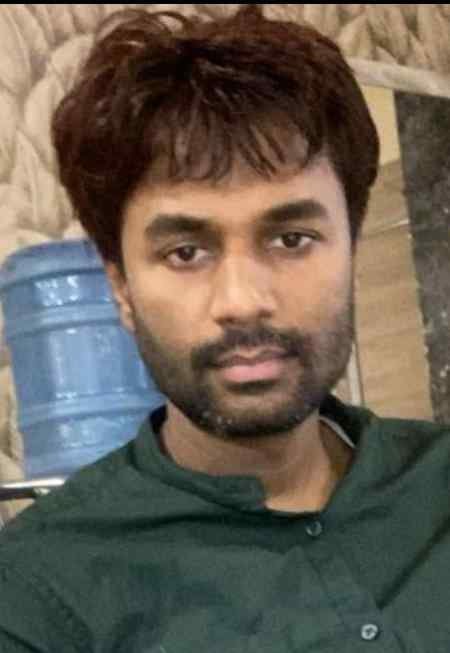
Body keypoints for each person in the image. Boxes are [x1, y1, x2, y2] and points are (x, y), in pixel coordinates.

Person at [0, 5, 448, 652]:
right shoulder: (36, 591)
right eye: (186, 252)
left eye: (292, 238)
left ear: (352, 247)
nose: (242, 301)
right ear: (121, 287)